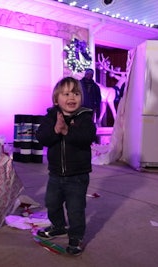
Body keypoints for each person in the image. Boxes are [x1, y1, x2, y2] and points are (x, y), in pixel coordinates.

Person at [35, 77, 97, 256]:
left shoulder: (85, 117)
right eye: (66, 93)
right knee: (51, 202)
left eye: (76, 93)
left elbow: (87, 138)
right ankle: (58, 226)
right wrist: (55, 130)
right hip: (55, 173)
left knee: (75, 208)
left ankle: (76, 236)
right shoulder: (50, 116)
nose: (72, 97)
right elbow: (42, 137)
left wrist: (67, 131)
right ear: (56, 99)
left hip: (77, 175)